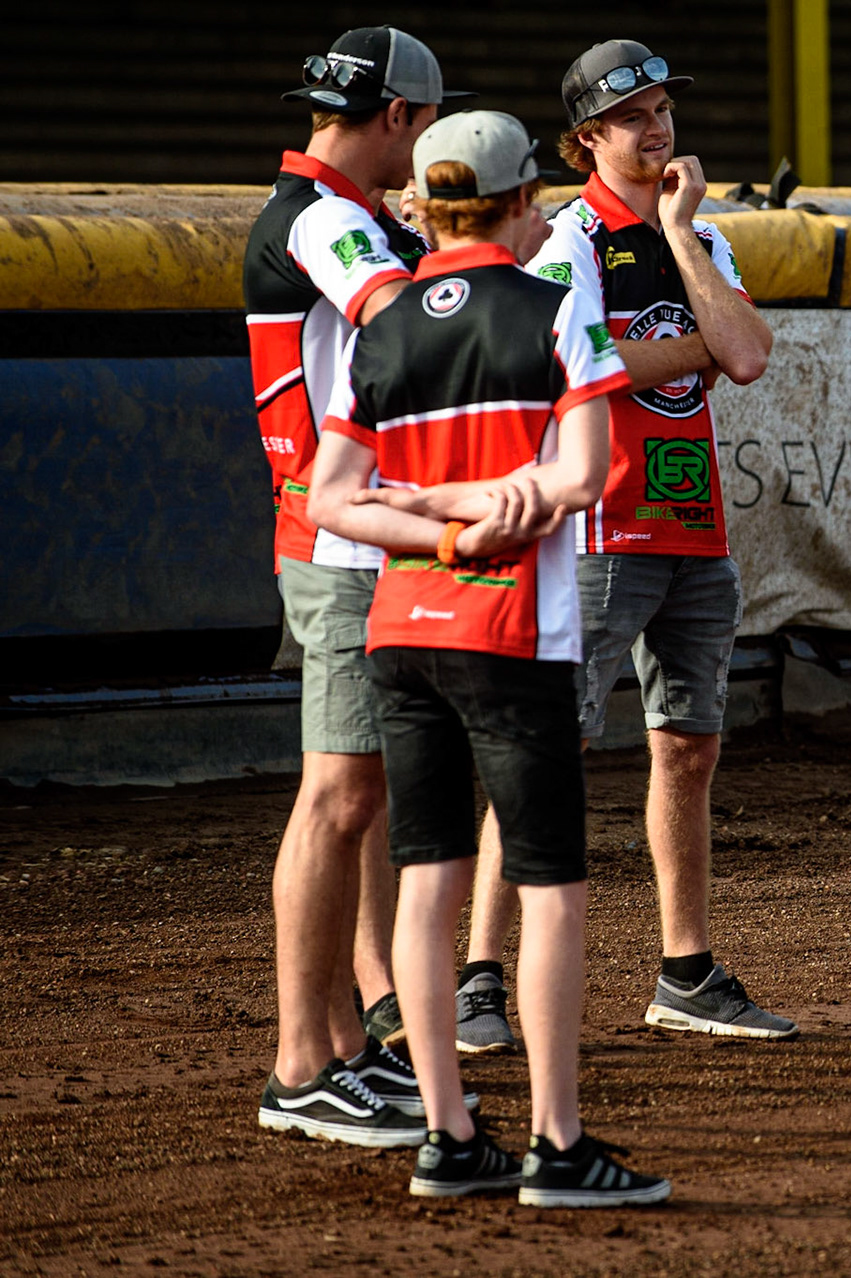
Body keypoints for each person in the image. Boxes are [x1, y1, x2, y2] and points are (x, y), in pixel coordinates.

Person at [308, 109, 670, 1206]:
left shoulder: (381, 328)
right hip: (516, 634)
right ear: (522, 205)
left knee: (427, 875)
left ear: (426, 208)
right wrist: (490, 512)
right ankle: (559, 1145)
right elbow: (588, 477)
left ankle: (451, 1134)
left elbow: (332, 499)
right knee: (550, 879)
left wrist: (438, 518)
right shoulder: (559, 312)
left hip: (402, 633)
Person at [446, 38, 788, 1052]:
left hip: (693, 528)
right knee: (545, 745)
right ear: (586, 136)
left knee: (690, 748)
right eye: (633, 115)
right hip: (594, 533)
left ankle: (685, 971)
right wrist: (697, 347)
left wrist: (681, 234)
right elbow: (585, 370)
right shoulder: (565, 243)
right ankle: (478, 977)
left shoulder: (703, 238)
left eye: (664, 110)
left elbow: (753, 356)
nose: (658, 129)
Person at [247, 25, 466, 1147]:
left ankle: (335, 1043)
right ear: (396, 120)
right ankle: (299, 1063)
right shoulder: (331, 220)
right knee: (336, 804)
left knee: (352, 798)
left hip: (349, 539)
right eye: (425, 125)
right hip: (340, 547)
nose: (426, 147)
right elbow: (413, 330)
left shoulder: (339, 214)